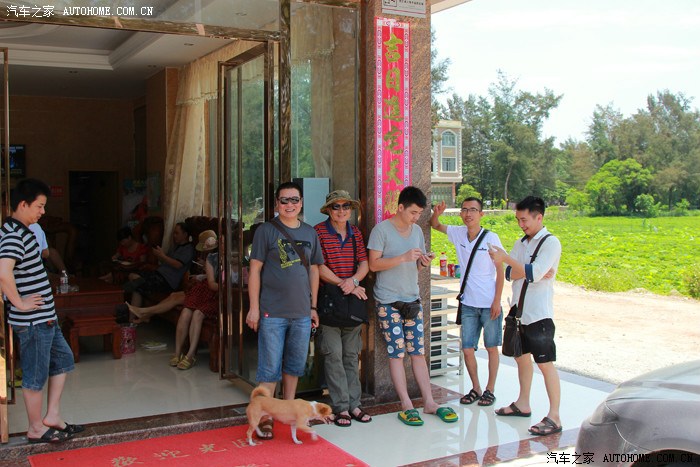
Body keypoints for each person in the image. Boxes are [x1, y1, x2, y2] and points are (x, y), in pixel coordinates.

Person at [0, 179, 83, 444]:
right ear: (23, 205)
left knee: (63, 359)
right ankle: (36, 428)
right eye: (39, 206)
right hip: (33, 320)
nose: (42, 212)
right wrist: (20, 302)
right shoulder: (13, 235)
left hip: (44, 317)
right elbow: (3, 273)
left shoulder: (23, 230)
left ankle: (52, 415)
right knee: (35, 376)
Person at [367, 186, 459, 426]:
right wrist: (402, 257)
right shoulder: (381, 230)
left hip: (412, 299)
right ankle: (406, 404)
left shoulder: (417, 231)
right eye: (413, 212)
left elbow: (415, 267)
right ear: (400, 207)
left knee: (418, 352)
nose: (416, 217)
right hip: (388, 301)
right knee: (397, 353)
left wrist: (423, 263)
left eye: (419, 213)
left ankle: (429, 401)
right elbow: (373, 265)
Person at [245, 181, 324, 440]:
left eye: (294, 200)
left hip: (301, 313)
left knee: (294, 367)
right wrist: (254, 308)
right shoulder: (266, 231)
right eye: (284, 200)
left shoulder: (310, 232)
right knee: (269, 370)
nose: (290, 204)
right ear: (276, 203)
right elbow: (254, 270)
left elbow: (314, 270)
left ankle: (289, 412)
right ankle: (265, 417)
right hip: (272, 313)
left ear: (301, 203)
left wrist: (313, 307)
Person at [488, 196, 563, 436]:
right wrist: (525, 269)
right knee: (521, 358)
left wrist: (510, 261)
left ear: (539, 217)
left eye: (524, 220)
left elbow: (533, 273)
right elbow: (511, 274)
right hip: (518, 312)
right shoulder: (521, 243)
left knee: (545, 364)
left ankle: (554, 416)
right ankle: (523, 403)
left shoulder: (551, 243)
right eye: (518, 220)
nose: (521, 224)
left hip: (539, 314)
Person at [430, 198, 504, 407]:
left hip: (489, 303)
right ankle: (476, 388)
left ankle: (490, 390)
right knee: (467, 348)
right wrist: (437, 213)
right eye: (464, 209)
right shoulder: (458, 233)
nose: (468, 214)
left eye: (473, 210)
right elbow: (435, 225)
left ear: (481, 214)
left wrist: (497, 301)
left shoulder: (491, 238)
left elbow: (500, 271)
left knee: (491, 347)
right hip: (468, 303)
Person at [314, 190, 371, 427]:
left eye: (345, 206)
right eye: (336, 206)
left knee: (350, 355)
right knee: (333, 356)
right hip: (329, 303)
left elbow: (364, 263)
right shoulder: (318, 232)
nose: (341, 210)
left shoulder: (355, 232)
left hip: (352, 303)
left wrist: (354, 281)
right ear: (328, 210)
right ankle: (341, 407)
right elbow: (318, 266)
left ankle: (354, 404)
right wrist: (344, 283)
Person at [128, 230, 219, 369]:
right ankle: (146, 313)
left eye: (177, 233)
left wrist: (202, 275)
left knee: (177, 298)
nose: (174, 236)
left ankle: (146, 312)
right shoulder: (208, 258)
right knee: (176, 299)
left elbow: (211, 281)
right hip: (200, 287)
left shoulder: (199, 254)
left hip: (205, 290)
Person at [123, 222, 195, 310]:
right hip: (158, 274)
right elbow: (166, 261)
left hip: (167, 281)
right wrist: (160, 255)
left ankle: (133, 314)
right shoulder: (176, 247)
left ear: (185, 234)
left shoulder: (188, 249)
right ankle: (140, 288)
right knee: (132, 275)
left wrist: (163, 256)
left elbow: (178, 265)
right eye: (174, 233)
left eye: (177, 233)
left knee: (137, 287)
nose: (174, 236)